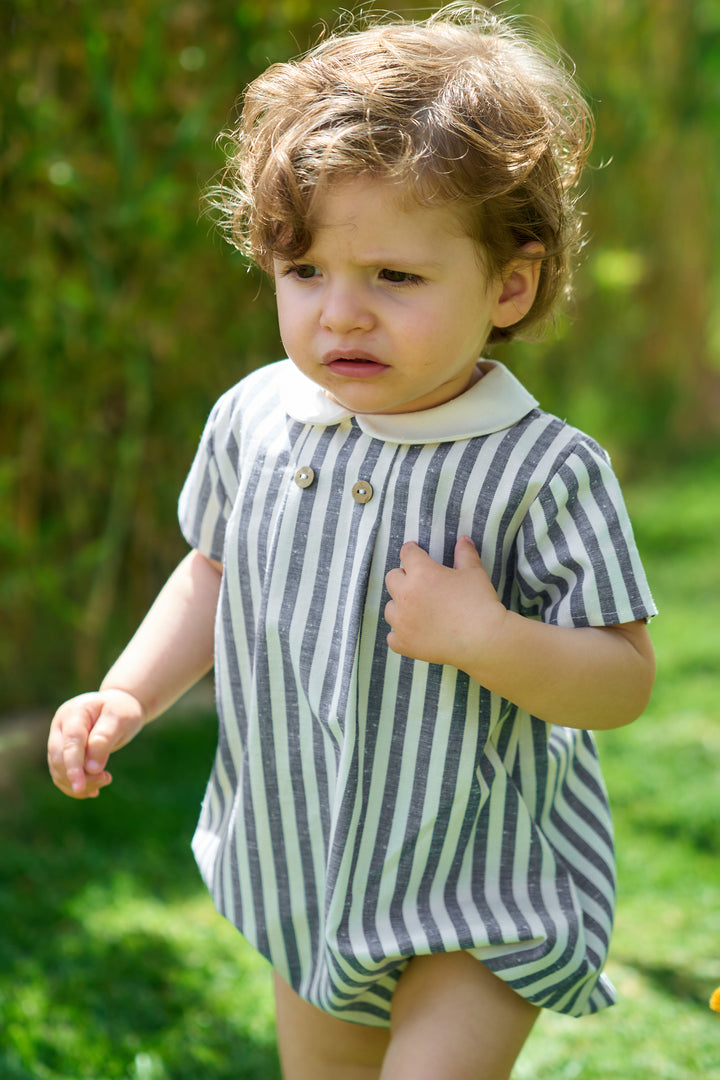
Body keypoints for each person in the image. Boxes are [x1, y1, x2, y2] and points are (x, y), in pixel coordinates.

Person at [47, 5, 657, 1078]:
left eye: (396, 278)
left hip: (482, 880)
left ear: (509, 285)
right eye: (306, 272)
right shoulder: (254, 416)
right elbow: (213, 571)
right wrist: (130, 692)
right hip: (310, 857)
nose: (341, 316)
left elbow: (620, 682)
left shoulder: (543, 471)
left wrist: (485, 636)